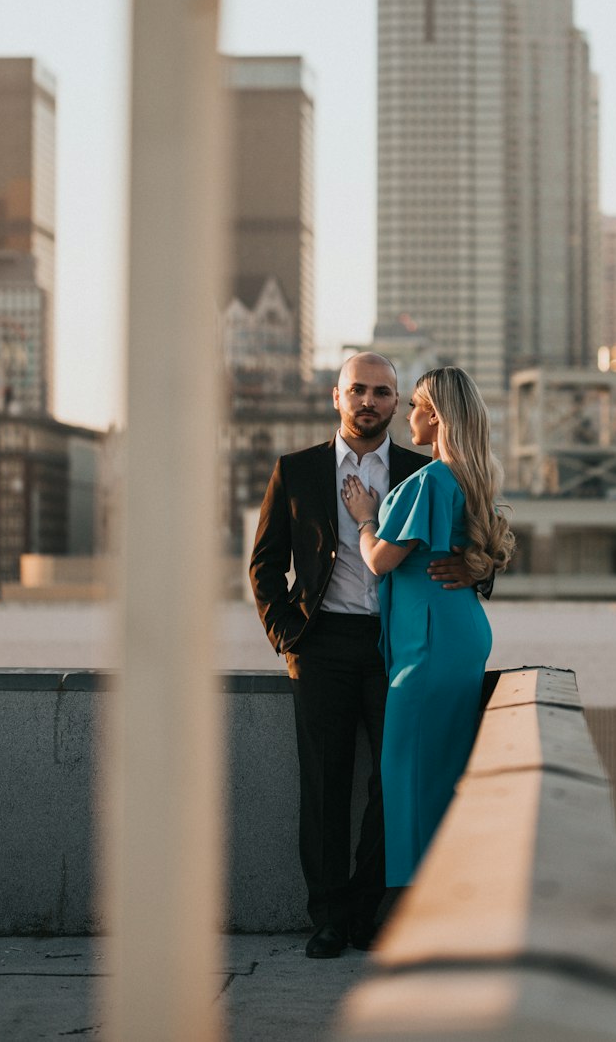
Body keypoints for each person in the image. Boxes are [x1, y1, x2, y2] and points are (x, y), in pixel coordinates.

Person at [249, 352, 479, 960]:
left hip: (395, 649)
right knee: (324, 785)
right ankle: (327, 918)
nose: (369, 401)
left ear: (399, 404)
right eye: (358, 390)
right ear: (336, 396)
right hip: (319, 646)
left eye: (382, 393)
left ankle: (364, 911)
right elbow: (264, 564)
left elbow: (474, 544)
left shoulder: (420, 467)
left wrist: (476, 569)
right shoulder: (295, 470)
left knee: (392, 781)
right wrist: (284, 633)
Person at [340, 366, 514, 887]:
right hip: (455, 631)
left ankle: (413, 900)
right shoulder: (468, 475)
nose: (408, 416)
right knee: (440, 770)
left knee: (405, 771)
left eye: (415, 405)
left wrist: (365, 516)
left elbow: (379, 562)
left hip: (431, 642)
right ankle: (443, 886)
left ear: (434, 416)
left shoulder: (432, 479)